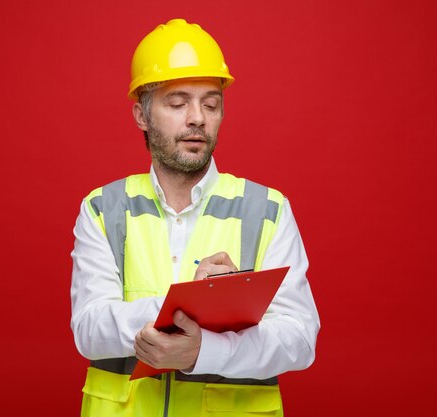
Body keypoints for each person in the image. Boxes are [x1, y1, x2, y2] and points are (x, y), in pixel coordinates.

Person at [70, 18, 319, 417]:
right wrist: (185, 304)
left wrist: (203, 350)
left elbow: (299, 339)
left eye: (210, 103)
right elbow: (89, 329)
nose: (197, 118)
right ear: (141, 115)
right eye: (177, 102)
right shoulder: (103, 209)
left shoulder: (267, 210)